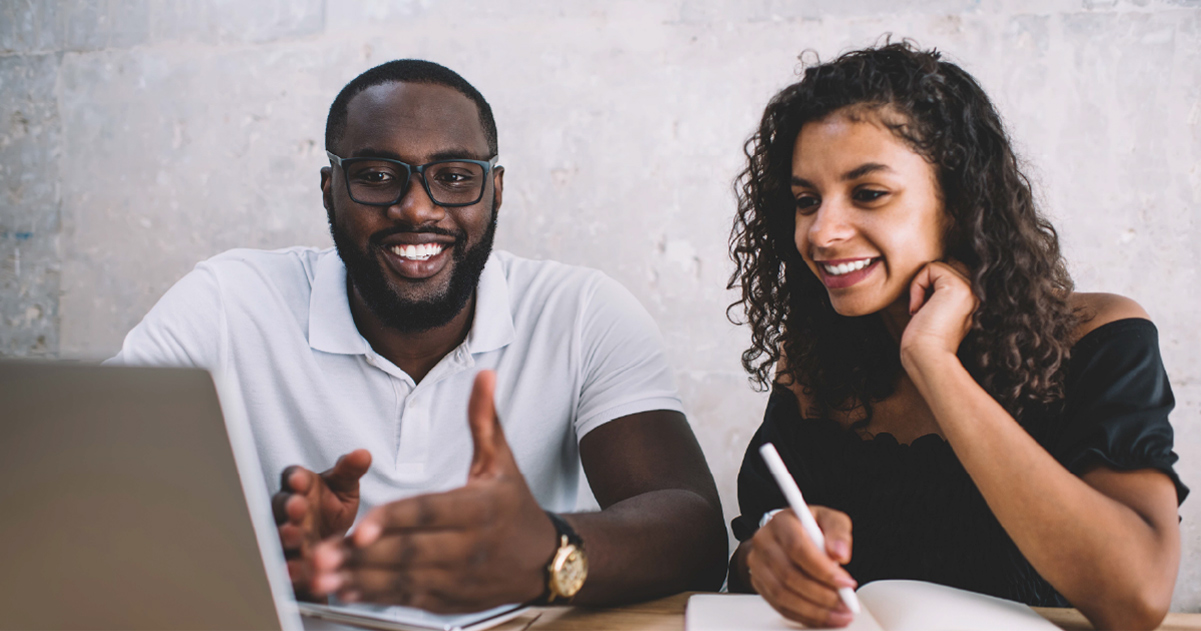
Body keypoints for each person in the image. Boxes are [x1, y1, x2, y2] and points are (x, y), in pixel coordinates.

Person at [110, 59, 727, 611]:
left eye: (455, 177)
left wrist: (547, 553)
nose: (416, 208)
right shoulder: (228, 301)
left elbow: (694, 532)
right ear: (330, 190)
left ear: (497, 190)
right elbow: (84, 480)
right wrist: (261, 549)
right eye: (378, 176)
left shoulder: (581, 312)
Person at [724, 42, 1187, 630]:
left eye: (868, 193)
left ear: (959, 200)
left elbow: (1136, 597)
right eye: (805, 201)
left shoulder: (1098, 339)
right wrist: (764, 555)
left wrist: (933, 361)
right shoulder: (816, 367)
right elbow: (750, 560)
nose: (822, 232)